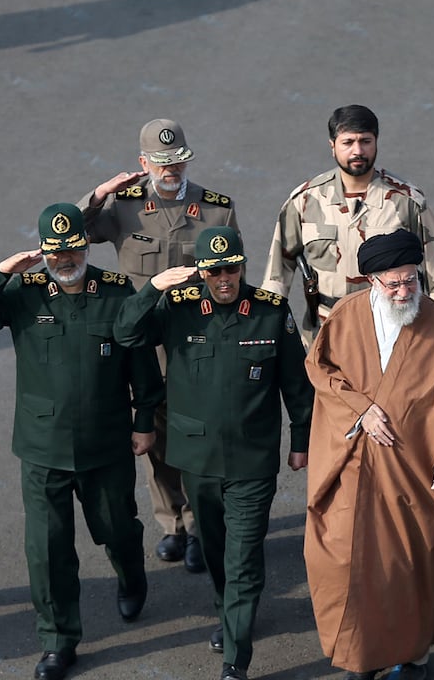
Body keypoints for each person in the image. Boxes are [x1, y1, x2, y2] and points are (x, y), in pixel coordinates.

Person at [0, 204, 164, 680]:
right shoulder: (23, 292)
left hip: (105, 441)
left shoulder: (115, 291)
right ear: (43, 251)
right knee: (48, 549)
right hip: (42, 446)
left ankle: (131, 577)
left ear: (85, 246)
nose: (64, 259)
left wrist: (144, 420)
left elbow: (139, 358)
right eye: (54, 252)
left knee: (117, 528)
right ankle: (57, 640)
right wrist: (1, 272)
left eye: (72, 249)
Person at [115, 226, 313, 680]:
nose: (224, 279)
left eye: (232, 269)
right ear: (201, 272)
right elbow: (126, 333)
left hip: (251, 458)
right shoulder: (177, 307)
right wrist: (153, 288)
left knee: (243, 557)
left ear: (243, 267)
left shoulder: (270, 311)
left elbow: (295, 384)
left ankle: (235, 661)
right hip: (197, 459)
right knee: (216, 549)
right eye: (214, 271)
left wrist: (301, 441)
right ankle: (229, 609)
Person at [303, 230, 434, 680]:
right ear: (372, 281)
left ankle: (414, 653)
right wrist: (360, 409)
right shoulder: (344, 316)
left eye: (411, 281)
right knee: (345, 562)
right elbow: (320, 369)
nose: (403, 292)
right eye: (393, 284)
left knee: (411, 565)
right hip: (352, 467)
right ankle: (362, 655)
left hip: (415, 470)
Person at [77, 118, 240, 573]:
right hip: (142, 344)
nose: (171, 170)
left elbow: (231, 277)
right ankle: (174, 524)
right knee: (153, 434)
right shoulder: (124, 207)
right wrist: (99, 193)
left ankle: (200, 523)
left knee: (198, 433)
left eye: (178, 161)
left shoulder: (216, 210)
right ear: (143, 162)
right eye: (162, 162)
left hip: (196, 342)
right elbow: (73, 231)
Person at [261, 104, 434, 346]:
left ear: (376, 142)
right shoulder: (305, 201)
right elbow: (278, 269)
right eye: (348, 142)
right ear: (332, 146)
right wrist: (267, 325)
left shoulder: (406, 201)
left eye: (365, 141)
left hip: (392, 328)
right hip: (325, 331)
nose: (358, 151)